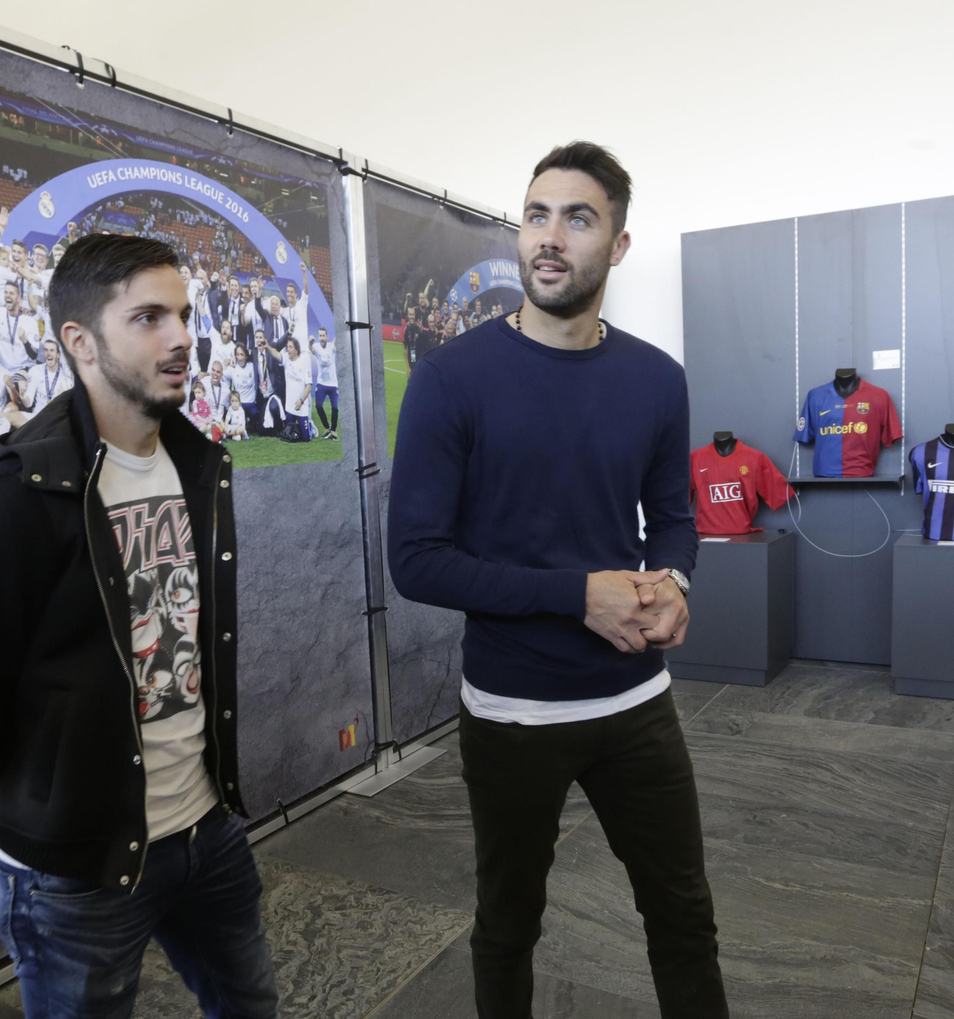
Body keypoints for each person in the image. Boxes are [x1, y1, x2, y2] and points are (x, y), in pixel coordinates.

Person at [387, 142, 723, 1019]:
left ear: (616, 244)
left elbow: (676, 517)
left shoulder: (656, 379)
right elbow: (415, 559)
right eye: (537, 214)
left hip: (635, 704)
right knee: (508, 925)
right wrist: (580, 593)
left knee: (684, 916)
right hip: (513, 715)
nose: (549, 236)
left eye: (578, 217)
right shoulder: (451, 377)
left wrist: (675, 580)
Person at [0, 233, 276, 1019]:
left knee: (251, 1006)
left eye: (183, 313)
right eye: (149, 317)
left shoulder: (199, 466)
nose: (182, 336)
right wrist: (45, 813)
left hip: (206, 829)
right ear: (80, 341)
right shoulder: (18, 497)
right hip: (76, 871)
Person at [309, 326, 340, 440]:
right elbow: (311, 349)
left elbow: (338, 339)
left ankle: (334, 431)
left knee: (335, 408)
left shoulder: (332, 346)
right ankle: (327, 428)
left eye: (323, 336)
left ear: (327, 337)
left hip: (333, 384)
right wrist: (310, 342)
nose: (322, 338)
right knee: (318, 405)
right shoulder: (316, 347)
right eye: (320, 336)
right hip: (321, 383)